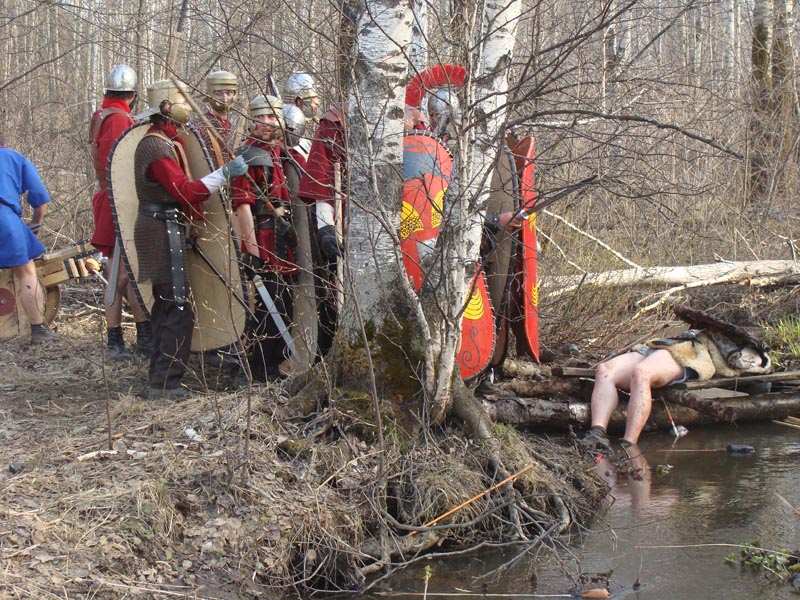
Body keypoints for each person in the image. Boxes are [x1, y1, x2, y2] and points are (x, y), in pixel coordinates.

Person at [133, 79, 247, 400]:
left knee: (170, 305)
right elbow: (185, 190)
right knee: (176, 308)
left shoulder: (167, 141)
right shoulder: (156, 146)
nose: (187, 106)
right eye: (182, 102)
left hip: (167, 227)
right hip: (160, 229)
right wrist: (224, 174)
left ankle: (161, 379)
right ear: (167, 107)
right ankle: (165, 383)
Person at [582, 322, 772, 454]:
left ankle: (629, 443)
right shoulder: (704, 332)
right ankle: (597, 433)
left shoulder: (741, 352)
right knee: (605, 370)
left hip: (686, 354)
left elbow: (744, 364)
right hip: (661, 346)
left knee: (642, 373)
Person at [232, 95, 298, 382]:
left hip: (283, 241)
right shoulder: (246, 155)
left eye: (271, 117)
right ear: (252, 120)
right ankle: (256, 369)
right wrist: (252, 252)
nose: (266, 123)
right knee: (268, 307)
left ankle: (274, 364)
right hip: (264, 239)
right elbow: (243, 206)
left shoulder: (280, 154)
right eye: (260, 117)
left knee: (283, 303)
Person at [89, 64, 152, 359]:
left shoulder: (103, 115)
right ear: (132, 95)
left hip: (114, 198)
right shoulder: (117, 120)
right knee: (120, 273)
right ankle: (116, 341)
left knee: (129, 271)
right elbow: (120, 165)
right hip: (119, 201)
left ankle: (143, 335)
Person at [297, 102, 347, 358]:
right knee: (334, 292)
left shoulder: (411, 122)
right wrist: (326, 227)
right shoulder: (333, 125)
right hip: (344, 222)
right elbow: (322, 178)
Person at [0, 134, 55, 343]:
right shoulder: (13, 157)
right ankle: (39, 329)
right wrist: (36, 223)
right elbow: (40, 198)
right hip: (4, 218)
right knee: (27, 273)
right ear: (3, 143)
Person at [191, 70, 240, 167]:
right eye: (219, 93)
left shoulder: (233, 129)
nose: (224, 98)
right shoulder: (198, 126)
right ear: (210, 95)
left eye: (229, 93)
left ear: (235, 95)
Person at [283, 73, 321, 157]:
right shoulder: (290, 133)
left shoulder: (308, 130)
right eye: (313, 98)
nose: (317, 102)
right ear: (299, 102)